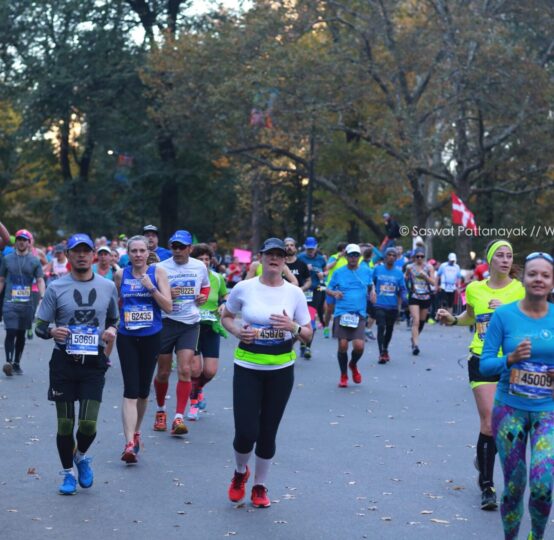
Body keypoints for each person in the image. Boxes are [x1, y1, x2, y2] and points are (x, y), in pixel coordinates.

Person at [221, 238, 312, 508]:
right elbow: (226, 316)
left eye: (279, 255)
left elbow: (308, 335)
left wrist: (292, 326)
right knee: (246, 431)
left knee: (268, 432)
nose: (274, 258)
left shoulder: (294, 293)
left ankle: (259, 486)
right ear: (260, 257)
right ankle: (240, 473)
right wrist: (238, 331)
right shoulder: (244, 288)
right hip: (248, 366)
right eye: (270, 254)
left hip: (281, 370)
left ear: (285, 260)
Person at [437, 240, 524, 511]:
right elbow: (471, 317)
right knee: (488, 422)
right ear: (490, 260)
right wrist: (453, 320)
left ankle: (483, 455)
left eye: (509, 255)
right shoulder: (474, 289)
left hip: (512, 362)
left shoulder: (520, 289)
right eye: (500, 255)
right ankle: (487, 485)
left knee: (504, 427)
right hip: (482, 359)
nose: (505, 259)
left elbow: (531, 319)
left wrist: (506, 313)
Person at [34, 233, 118, 495]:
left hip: (93, 362)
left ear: (93, 255)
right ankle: (68, 473)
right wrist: (51, 332)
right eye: (76, 251)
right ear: (68, 255)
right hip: (64, 362)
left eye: (86, 251)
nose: (81, 255)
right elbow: (39, 326)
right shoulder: (57, 287)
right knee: (65, 424)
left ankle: (80, 456)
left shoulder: (107, 287)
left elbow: (114, 319)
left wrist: (113, 331)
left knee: (89, 425)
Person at [480, 252, 554, 539]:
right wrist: (509, 359)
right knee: (514, 485)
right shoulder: (504, 315)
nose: (538, 279)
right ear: (522, 278)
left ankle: (536, 535)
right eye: (533, 273)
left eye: (545, 275)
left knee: (542, 483)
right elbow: (484, 364)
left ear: (552, 282)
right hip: (509, 410)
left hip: (548, 411)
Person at [114, 235, 172, 463]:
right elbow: (118, 303)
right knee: (130, 388)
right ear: (128, 253)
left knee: (143, 390)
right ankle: (128, 442)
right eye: (134, 251)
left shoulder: (158, 273)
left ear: (148, 252)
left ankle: (136, 432)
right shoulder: (121, 275)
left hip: (151, 335)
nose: (138, 255)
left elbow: (168, 306)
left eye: (142, 251)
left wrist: (151, 289)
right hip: (127, 336)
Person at [152, 230, 210, 435]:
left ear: (189, 249)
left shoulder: (199, 266)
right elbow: (151, 293)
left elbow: (205, 287)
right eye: (174, 247)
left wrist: (203, 297)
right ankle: (161, 411)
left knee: (185, 370)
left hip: (189, 323)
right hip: (166, 322)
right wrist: (166, 294)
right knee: (163, 372)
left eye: (181, 247)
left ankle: (178, 417)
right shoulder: (160, 267)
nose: (177, 251)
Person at [186, 243, 229, 421]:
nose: (204, 262)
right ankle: (194, 403)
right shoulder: (189, 277)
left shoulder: (217, 278)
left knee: (210, 371)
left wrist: (224, 304)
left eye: (207, 259)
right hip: (192, 327)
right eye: (200, 259)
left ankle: (198, 388)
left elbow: (225, 296)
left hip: (211, 327)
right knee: (195, 370)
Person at [327, 244, 374, 387]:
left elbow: (370, 285)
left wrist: (373, 292)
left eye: (356, 255)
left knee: (359, 346)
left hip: (359, 313)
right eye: (350, 255)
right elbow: (326, 288)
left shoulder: (366, 271)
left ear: (359, 257)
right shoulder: (339, 272)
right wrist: (334, 293)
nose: (353, 258)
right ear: (346, 256)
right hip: (342, 312)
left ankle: (352, 364)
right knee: (342, 345)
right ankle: (343, 375)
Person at [0, 229, 45, 375]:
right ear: (16, 242)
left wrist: (43, 296)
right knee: (11, 331)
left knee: (20, 334)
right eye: (19, 239)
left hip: (27, 303)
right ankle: (8, 362)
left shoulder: (35, 261)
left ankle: (17, 362)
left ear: (29, 243)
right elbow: (1, 280)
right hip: (10, 301)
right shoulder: (7, 259)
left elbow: (40, 280)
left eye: (24, 240)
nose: (21, 242)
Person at [372, 247, 407, 364]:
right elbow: (370, 283)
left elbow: (402, 288)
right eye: (389, 255)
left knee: (389, 329)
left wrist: (404, 298)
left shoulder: (398, 273)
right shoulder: (377, 270)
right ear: (385, 257)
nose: (391, 257)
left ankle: (385, 348)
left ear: (396, 258)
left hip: (392, 306)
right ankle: (381, 352)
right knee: (381, 326)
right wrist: (370, 295)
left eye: (393, 255)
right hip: (379, 304)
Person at [405, 248, 435, 355]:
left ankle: (414, 338)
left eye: (422, 256)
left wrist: (425, 276)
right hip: (414, 296)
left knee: (422, 322)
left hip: (426, 296)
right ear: (414, 257)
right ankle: (415, 346)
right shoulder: (410, 267)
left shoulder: (429, 267)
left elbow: (433, 283)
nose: (419, 258)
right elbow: (405, 278)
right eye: (417, 256)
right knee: (416, 320)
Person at [323, 242, 348, 338]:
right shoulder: (334, 257)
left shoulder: (347, 259)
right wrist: (338, 258)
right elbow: (327, 267)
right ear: (342, 249)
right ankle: (326, 327)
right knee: (329, 309)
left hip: (343, 287)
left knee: (340, 309)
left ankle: (336, 330)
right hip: (332, 287)